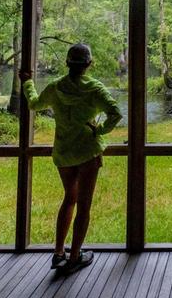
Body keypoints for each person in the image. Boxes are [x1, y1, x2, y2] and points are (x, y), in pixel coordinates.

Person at [20, 43, 123, 274]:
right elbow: (116, 113)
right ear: (89, 64)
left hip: (64, 152)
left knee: (69, 199)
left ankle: (58, 253)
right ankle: (75, 256)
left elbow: (34, 104)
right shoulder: (95, 89)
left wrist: (27, 82)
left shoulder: (56, 87)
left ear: (67, 63)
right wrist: (100, 130)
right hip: (88, 151)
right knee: (84, 205)